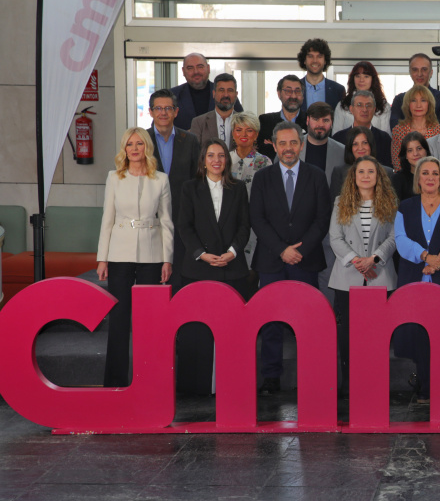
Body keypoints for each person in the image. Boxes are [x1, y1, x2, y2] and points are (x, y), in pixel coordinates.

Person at [250, 121, 332, 394]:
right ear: (273, 145)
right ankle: (271, 377)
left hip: (305, 260)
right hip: (272, 261)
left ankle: (311, 373)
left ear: (302, 144)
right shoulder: (262, 178)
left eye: (293, 143)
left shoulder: (317, 176)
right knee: (271, 321)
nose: (288, 148)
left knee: (308, 320)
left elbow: (322, 220)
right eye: (282, 143)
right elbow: (257, 220)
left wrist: (299, 250)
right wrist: (281, 249)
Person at [96, 127, 173, 387]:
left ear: (147, 147)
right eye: (130, 144)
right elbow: (107, 219)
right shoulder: (114, 178)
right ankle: (114, 380)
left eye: (139, 143)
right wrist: (102, 258)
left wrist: (167, 258)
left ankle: (149, 379)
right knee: (119, 317)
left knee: (149, 319)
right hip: (119, 253)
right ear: (124, 149)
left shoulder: (160, 179)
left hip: (152, 254)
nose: (135, 148)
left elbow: (166, 221)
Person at [176, 138, 251, 394]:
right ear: (203, 160)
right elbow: (184, 226)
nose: (216, 160)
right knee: (197, 330)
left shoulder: (238, 188)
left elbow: (244, 226)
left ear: (227, 161)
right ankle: (195, 388)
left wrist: (231, 253)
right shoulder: (190, 188)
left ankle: (231, 386)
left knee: (233, 331)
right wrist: (202, 254)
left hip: (233, 269)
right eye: (211, 155)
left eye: (221, 155)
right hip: (198, 269)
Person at [393, 156, 440, 403]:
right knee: (420, 334)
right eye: (425, 173)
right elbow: (401, 241)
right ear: (418, 178)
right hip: (415, 280)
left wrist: (438, 260)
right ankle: (423, 386)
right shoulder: (405, 206)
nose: (430, 178)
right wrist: (426, 257)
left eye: (435, 174)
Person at [328, 155, 398, 398]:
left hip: (380, 276)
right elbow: (335, 238)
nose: (366, 176)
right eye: (361, 172)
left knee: (377, 336)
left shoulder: (389, 202)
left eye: (371, 171)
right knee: (347, 337)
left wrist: (374, 259)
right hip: (347, 278)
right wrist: (358, 262)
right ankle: (348, 387)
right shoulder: (340, 202)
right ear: (354, 177)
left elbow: (393, 237)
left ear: (379, 176)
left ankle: (376, 385)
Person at [146, 88, 200, 292]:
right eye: (158, 108)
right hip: (150, 220)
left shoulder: (190, 140)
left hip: (182, 219)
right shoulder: (141, 142)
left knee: (179, 278)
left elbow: (197, 181)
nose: (163, 113)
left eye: (168, 108)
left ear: (176, 112)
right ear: (150, 112)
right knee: (152, 279)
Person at [229, 111, 272, 270]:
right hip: (228, 225)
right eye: (239, 130)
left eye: (249, 130)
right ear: (233, 133)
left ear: (256, 134)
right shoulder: (224, 160)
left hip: (255, 226)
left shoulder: (264, 162)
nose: (243, 134)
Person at [171, 52, 242, 130]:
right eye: (190, 68)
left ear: (208, 68)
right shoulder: (172, 96)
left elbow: (241, 123)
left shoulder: (226, 95)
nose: (196, 72)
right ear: (183, 71)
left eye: (200, 67)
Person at [332, 90, 393, 167]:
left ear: (374, 110)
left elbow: (387, 170)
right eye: (359, 105)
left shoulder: (384, 139)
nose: (364, 110)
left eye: (368, 105)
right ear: (351, 109)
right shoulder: (339, 138)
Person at [390, 85, 440, 172]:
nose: (418, 105)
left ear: (429, 104)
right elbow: (397, 163)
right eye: (413, 100)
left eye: (423, 100)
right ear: (408, 104)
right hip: (406, 180)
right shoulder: (399, 130)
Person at [330, 126, 393, 199]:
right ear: (350, 148)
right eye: (355, 144)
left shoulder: (388, 172)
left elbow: (392, 203)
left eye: (365, 143)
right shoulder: (339, 172)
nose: (360, 148)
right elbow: (334, 204)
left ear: (371, 145)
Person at [389, 53, 440, 129]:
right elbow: (395, 127)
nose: (419, 74)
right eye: (415, 70)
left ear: (431, 73)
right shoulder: (400, 100)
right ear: (410, 72)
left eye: (424, 69)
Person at [333, 61, 391, 134]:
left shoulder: (383, 106)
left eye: (366, 76)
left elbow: (385, 138)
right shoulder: (343, 105)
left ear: (373, 79)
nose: (361, 80)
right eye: (358, 76)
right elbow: (336, 136)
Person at [257, 75, 307, 160]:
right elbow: (262, 154)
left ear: (303, 95)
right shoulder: (266, 121)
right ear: (279, 94)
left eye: (298, 91)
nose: (293, 96)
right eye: (288, 91)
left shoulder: (310, 121)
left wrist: (275, 146)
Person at [190, 73, 240, 151]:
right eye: (221, 90)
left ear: (236, 95)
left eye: (230, 90)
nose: (226, 95)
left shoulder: (245, 122)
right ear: (214, 94)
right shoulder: (198, 122)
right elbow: (194, 155)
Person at [300, 102, 345, 184]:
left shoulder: (342, 152)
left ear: (332, 123)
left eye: (325, 120)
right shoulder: (292, 147)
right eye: (316, 119)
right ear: (307, 120)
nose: (320, 125)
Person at [297, 38, 345, 110]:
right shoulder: (295, 89)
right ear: (304, 60)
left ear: (325, 61)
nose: (315, 60)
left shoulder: (338, 90)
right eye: (310, 56)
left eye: (319, 56)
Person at [392, 132, 431, 203]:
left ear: (426, 151)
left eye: (419, 148)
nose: (415, 153)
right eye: (410, 150)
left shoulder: (437, 176)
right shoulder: (397, 179)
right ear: (405, 155)